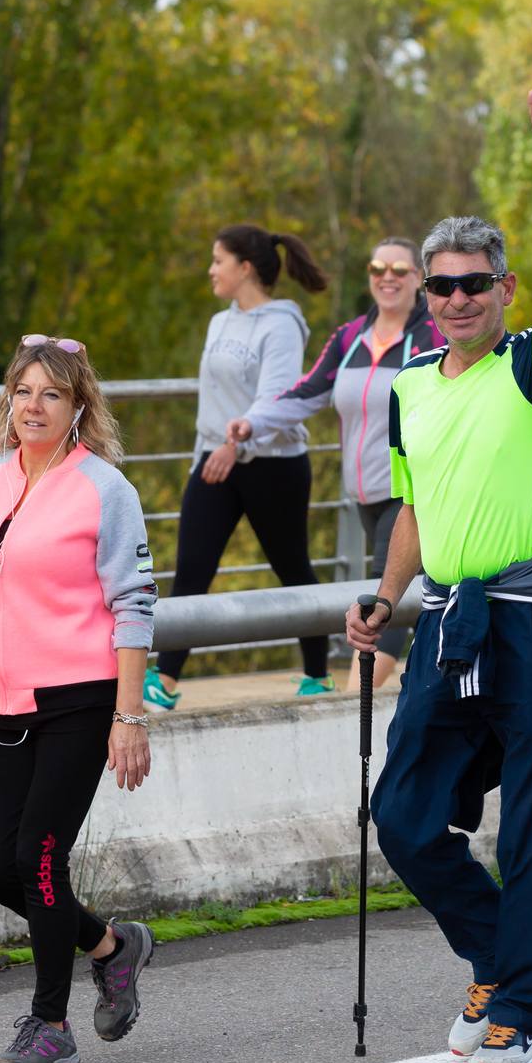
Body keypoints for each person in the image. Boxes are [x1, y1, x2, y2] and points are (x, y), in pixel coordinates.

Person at [346, 85, 532, 1063]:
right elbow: (414, 512)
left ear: (501, 289)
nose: (456, 299)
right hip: (448, 619)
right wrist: (383, 595)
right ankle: (501, 963)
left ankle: (523, 1005)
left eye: (473, 284)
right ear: (423, 296)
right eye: (440, 287)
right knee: (406, 817)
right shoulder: (411, 390)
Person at [0, 333, 159, 1063]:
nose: (34, 407)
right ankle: (113, 948)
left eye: (53, 393)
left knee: (38, 859)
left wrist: (129, 714)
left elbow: (133, 605)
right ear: (6, 401)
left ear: (79, 405)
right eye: (24, 392)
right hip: (4, 704)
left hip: (81, 701)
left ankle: (50, 1026)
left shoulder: (103, 489)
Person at [228, 236, 442, 689]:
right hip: (364, 493)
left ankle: (353, 697)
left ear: (419, 280)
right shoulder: (349, 338)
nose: (388, 277)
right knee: (414, 591)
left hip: (413, 491)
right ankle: (429, 677)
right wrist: (253, 422)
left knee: (393, 591)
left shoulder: (431, 338)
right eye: (378, 267)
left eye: (400, 270)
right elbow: (307, 391)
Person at [145, 224, 332, 709]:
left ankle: (317, 673)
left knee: (292, 568)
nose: (211, 270)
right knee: (191, 568)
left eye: (218, 261)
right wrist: (208, 453)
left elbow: (275, 398)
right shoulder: (218, 322)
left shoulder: (282, 325)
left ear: (245, 268)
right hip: (214, 460)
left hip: (273, 464)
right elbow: (212, 401)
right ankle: (164, 679)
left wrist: (237, 446)